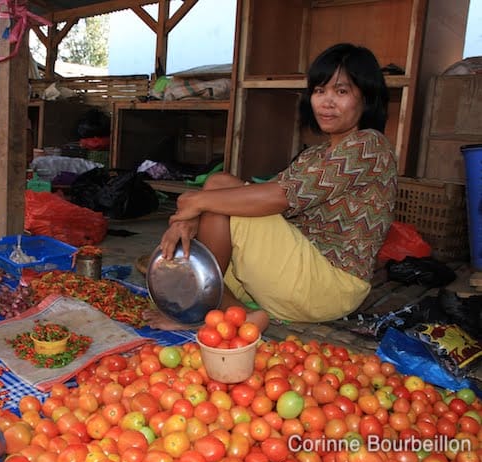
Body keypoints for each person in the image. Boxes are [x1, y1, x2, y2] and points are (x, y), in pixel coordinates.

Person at [149, 43, 398, 332]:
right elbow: (255, 192)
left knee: (223, 202)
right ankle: (238, 313)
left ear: (366, 98)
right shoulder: (315, 155)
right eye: (320, 91)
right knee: (219, 185)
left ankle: (204, 311)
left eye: (341, 92)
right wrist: (191, 214)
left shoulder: (369, 145)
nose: (327, 102)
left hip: (330, 286)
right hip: (297, 274)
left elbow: (278, 197)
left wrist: (193, 203)